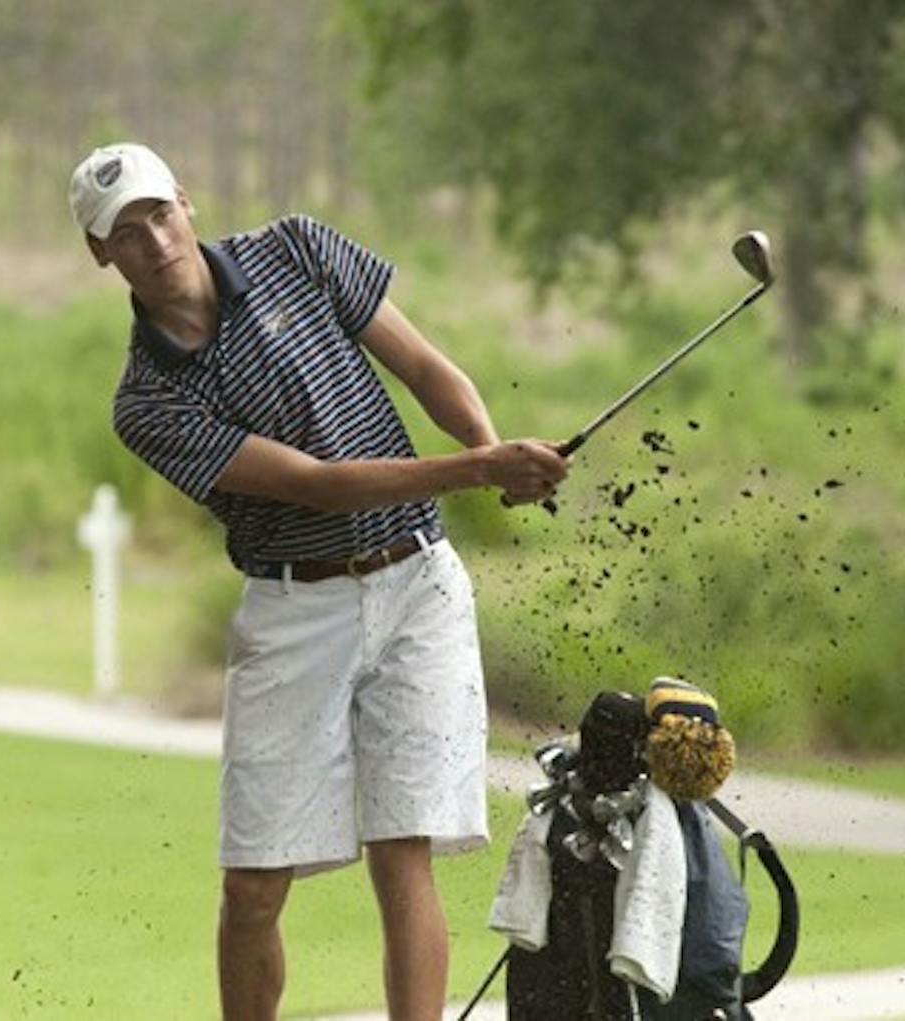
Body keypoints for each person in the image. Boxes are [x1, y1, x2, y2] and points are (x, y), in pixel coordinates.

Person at [69, 142, 571, 1021]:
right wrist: (480, 470)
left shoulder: (299, 247)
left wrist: (492, 451)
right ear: (100, 254)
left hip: (418, 584)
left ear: (186, 202)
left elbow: (425, 369)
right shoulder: (145, 402)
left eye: (159, 213)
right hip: (295, 608)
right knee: (255, 883)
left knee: (401, 849)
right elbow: (311, 480)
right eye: (126, 232)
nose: (154, 241)